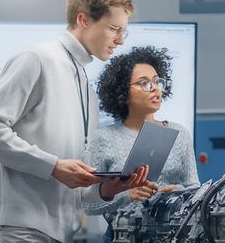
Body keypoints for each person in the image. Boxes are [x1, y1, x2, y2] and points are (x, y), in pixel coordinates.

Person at [0, 0, 149, 243]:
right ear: (83, 20)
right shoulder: (37, 59)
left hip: (60, 234)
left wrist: (107, 189)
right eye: (113, 29)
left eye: (124, 32)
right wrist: (53, 166)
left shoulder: (86, 87)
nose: (120, 40)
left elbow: (73, 185)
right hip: (19, 230)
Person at [84, 46, 200, 243]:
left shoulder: (180, 133)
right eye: (144, 83)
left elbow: (195, 190)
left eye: (157, 81)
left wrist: (178, 193)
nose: (155, 88)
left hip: (171, 237)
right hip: (123, 236)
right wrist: (127, 195)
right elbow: (89, 206)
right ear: (123, 92)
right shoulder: (103, 138)